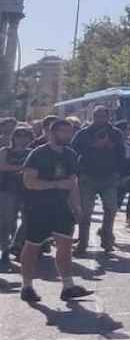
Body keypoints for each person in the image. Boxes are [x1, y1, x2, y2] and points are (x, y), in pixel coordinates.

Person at [18, 117, 90, 303]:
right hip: (38, 207)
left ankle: (68, 286)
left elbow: (72, 183)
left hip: (62, 208)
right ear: (51, 133)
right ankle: (26, 286)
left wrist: (77, 206)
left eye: (69, 131)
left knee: (65, 247)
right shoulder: (38, 154)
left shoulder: (71, 154)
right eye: (63, 131)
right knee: (32, 246)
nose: (67, 135)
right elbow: (29, 182)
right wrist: (56, 184)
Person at [70, 104, 126, 254]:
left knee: (111, 209)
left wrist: (120, 173)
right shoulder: (84, 133)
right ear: (93, 117)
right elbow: (73, 150)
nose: (100, 119)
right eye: (97, 116)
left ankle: (107, 241)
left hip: (109, 177)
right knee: (85, 212)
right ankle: (82, 243)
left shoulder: (115, 133)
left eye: (103, 116)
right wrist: (93, 146)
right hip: (88, 176)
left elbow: (122, 153)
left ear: (108, 117)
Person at [0, 124, 33, 270]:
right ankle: (5, 251)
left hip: (27, 191)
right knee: (7, 223)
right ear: (13, 137)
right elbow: (3, 166)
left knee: (28, 221)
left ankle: (17, 246)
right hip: (7, 190)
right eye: (19, 135)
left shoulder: (33, 152)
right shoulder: (5, 151)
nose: (22, 138)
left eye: (25, 135)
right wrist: (22, 168)